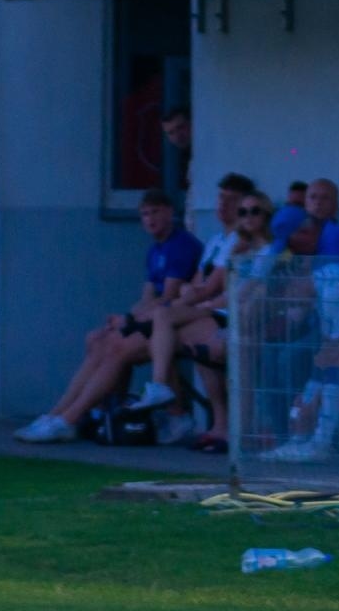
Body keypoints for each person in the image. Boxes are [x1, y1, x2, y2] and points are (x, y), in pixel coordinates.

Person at [14, 189, 202, 443]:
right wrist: (125, 318)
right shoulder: (155, 249)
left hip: (174, 324)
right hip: (157, 321)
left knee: (115, 349)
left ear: (169, 212)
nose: (149, 219)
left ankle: (68, 419)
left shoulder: (182, 245)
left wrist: (130, 322)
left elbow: (168, 297)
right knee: (97, 339)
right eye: (144, 214)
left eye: (155, 212)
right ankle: (65, 414)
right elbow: (147, 297)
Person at [129, 191, 282, 453]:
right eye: (242, 212)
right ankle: (161, 387)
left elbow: (248, 292)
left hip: (244, 318)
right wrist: (194, 298)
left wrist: (205, 303)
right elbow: (218, 286)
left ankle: (229, 428)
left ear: (266, 215)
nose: (247, 217)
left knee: (198, 342)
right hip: (222, 310)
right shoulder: (237, 248)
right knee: (165, 317)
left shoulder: (271, 250)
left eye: (254, 211)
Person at [255, 179, 339, 462]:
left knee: (297, 356)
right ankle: (294, 435)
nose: (292, 250)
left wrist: (311, 402)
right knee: (272, 351)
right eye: (312, 197)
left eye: (324, 198)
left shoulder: (337, 240)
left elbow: (337, 324)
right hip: (334, 320)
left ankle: (311, 437)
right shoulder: (305, 245)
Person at [128, 173, 256, 415]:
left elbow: (206, 288)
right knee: (159, 326)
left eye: (232, 200)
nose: (223, 204)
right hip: (207, 308)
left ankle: (172, 403)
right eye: (221, 198)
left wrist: (189, 300)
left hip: (224, 313)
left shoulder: (240, 241)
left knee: (164, 327)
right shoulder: (216, 240)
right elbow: (196, 284)